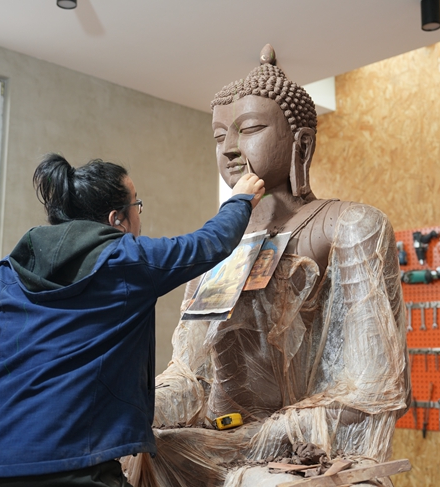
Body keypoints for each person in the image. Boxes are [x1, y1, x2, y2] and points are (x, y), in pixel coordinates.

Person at [124, 45, 410, 487]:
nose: (231, 149)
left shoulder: (350, 225)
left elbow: (374, 381)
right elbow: (190, 373)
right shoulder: (214, 247)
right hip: (224, 440)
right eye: (219, 137)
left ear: (302, 142)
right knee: (138, 452)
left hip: (307, 448)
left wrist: (278, 431)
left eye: (250, 129)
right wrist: (142, 406)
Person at [0, 153, 265, 487]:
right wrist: (240, 200)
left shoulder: (8, 273)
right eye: (137, 206)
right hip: (68, 466)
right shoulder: (126, 260)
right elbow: (206, 245)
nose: (139, 216)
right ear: (117, 219)